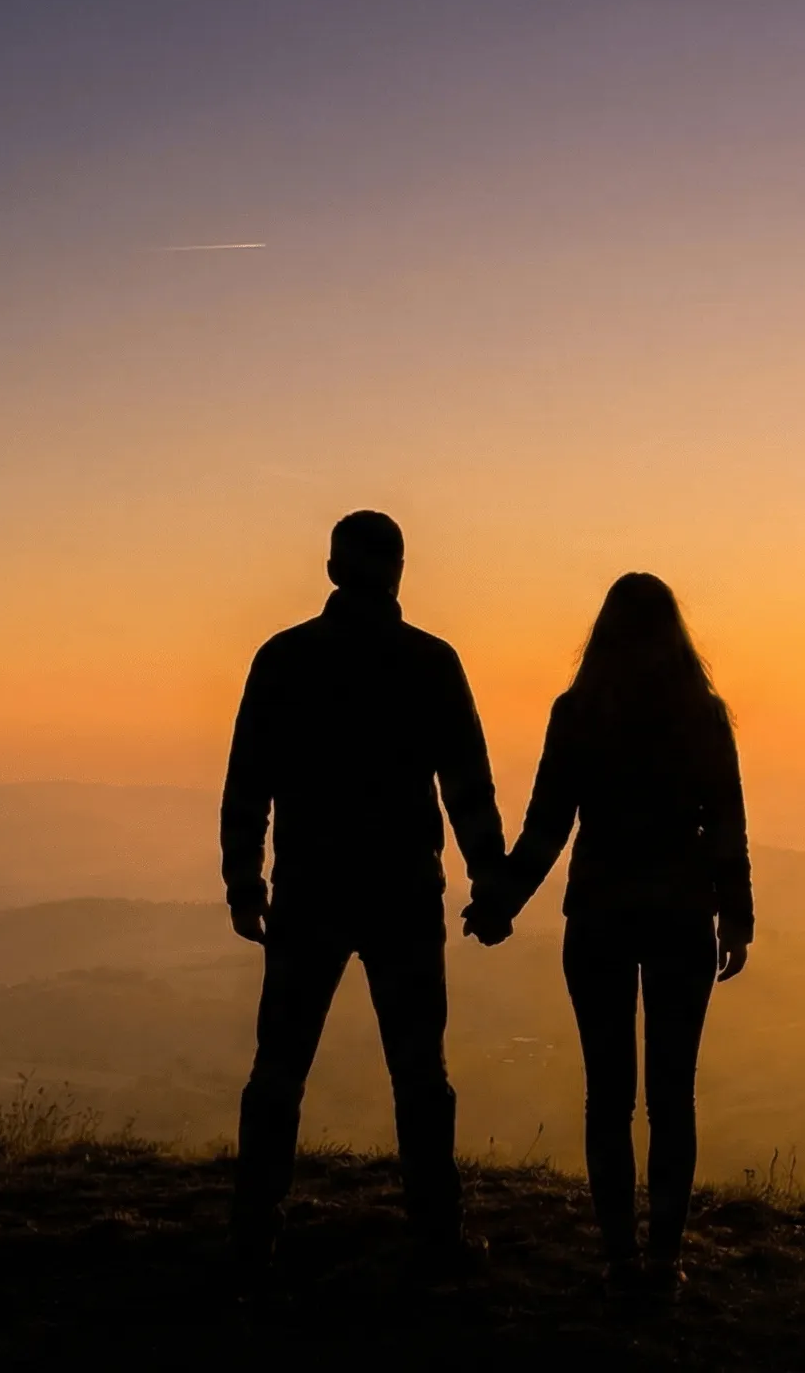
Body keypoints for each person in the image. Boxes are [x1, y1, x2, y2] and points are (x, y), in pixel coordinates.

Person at [219, 510, 506, 1288]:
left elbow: (249, 779)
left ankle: (254, 1236)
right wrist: (492, 884)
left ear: (332, 570)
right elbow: (467, 785)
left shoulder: (284, 659)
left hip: (309, 888)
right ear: (399, 572)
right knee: (420, 1072)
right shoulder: (429, 662)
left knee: (278, 1066)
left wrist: (244, 882)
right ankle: (436, 1237)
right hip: (404, 891)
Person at [464, 572, 753, 1302]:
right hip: (682, 916)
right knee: (672, 1098)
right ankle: (664, 1260)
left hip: (597, 916)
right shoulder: (702, 716)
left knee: (608, 1097)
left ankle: (621, 1257)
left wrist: (500, 901)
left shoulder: (580, 713)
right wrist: (736, 915)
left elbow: (546, 828)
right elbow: (726, 825)